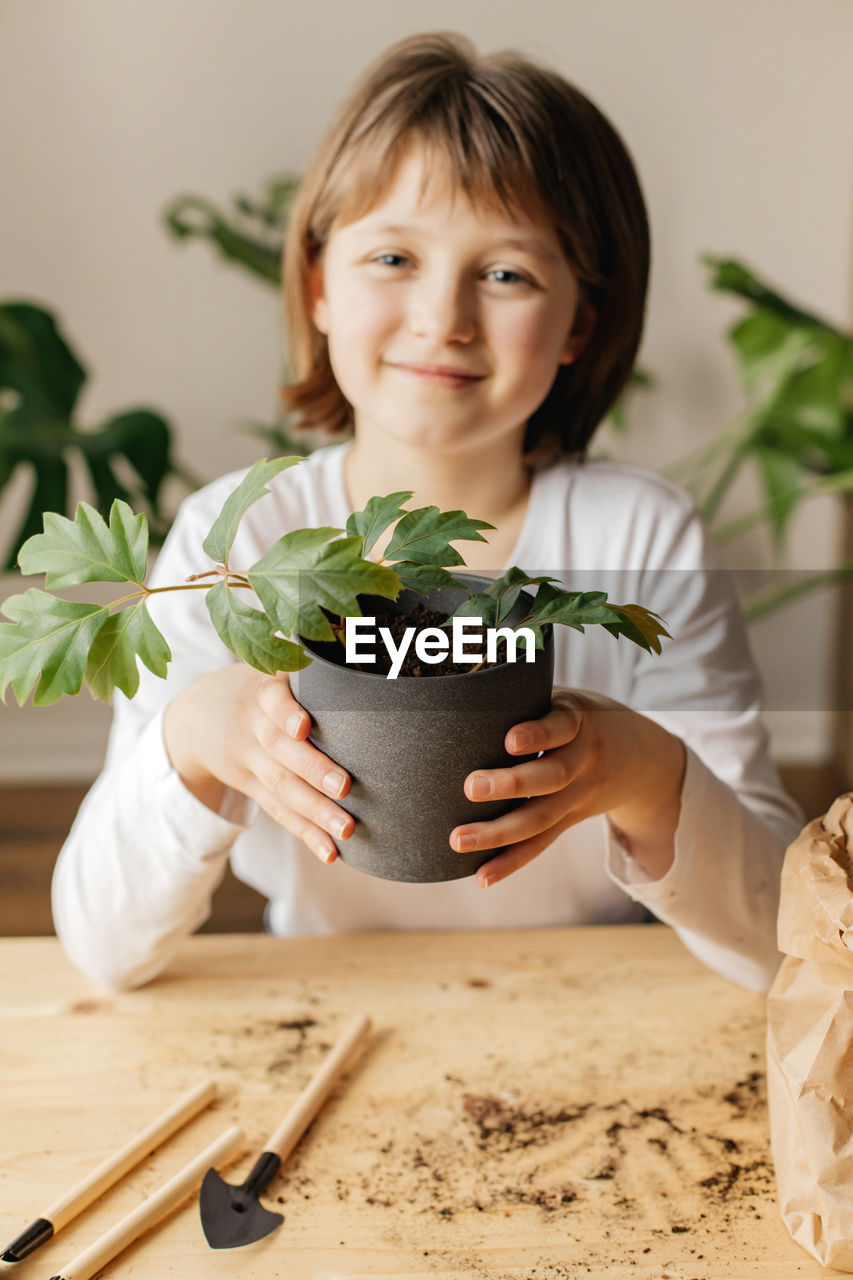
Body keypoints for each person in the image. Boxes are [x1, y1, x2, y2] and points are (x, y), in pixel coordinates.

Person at [52, 31, 803, 993]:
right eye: (394, 256)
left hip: (593, 1005)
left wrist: (650, 779)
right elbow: (103, 948)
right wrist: (195, 739)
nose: (441, 316)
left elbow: (787, 942)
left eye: (506, 275)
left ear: (580, 320)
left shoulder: (645, 542)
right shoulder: (233, 544)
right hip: (329, 1010)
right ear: (319, 283)